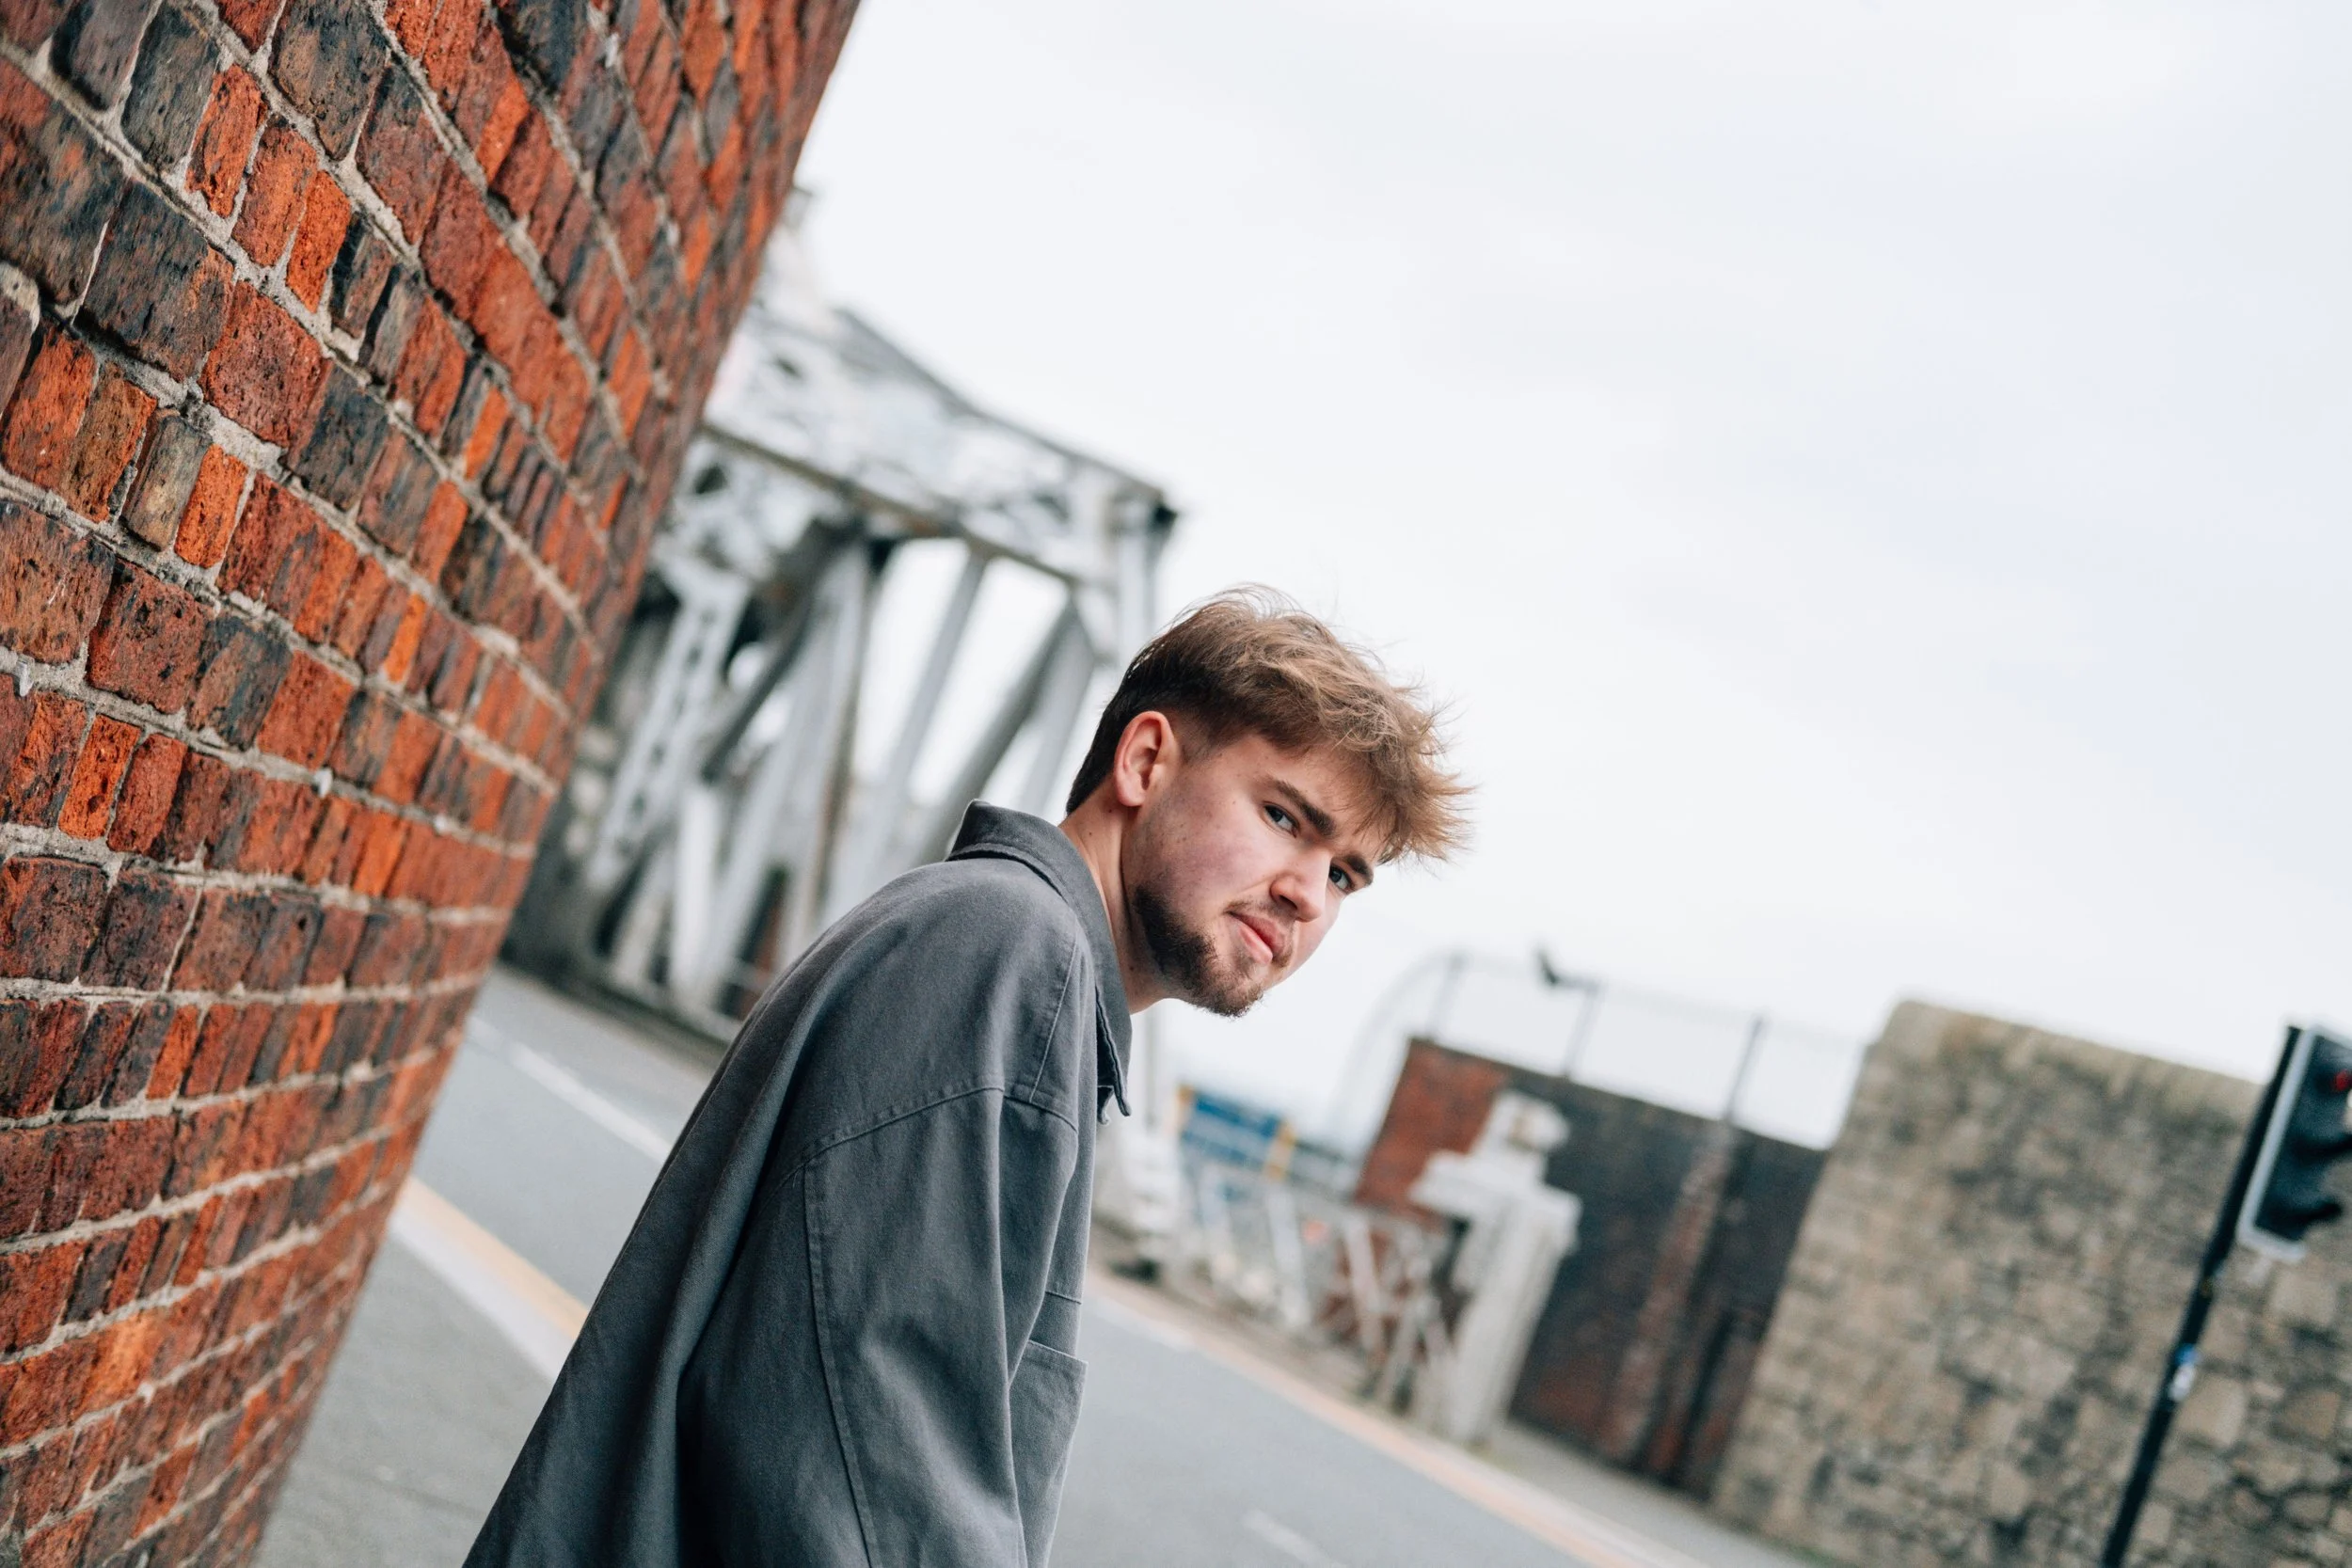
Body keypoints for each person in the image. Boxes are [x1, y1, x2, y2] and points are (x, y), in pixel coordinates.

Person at [464, 588, 1469, 1567]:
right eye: (1285, 817)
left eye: (1344, 874)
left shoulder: (1023, 962)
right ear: (1147, 759)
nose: (1305, 894)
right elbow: (867, 1439)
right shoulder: (1011, 951)